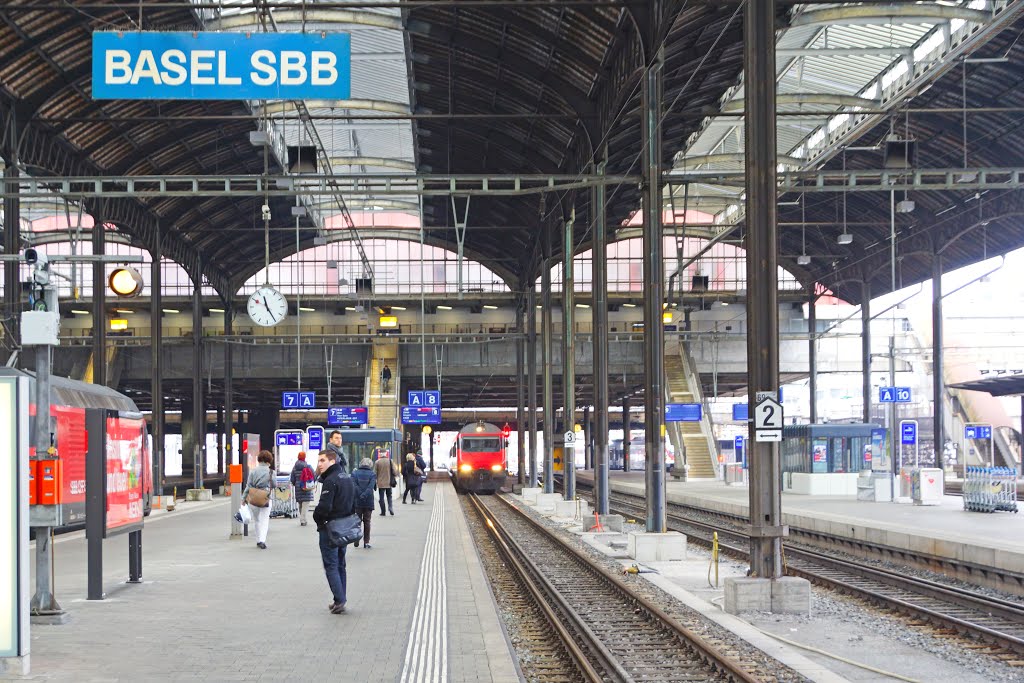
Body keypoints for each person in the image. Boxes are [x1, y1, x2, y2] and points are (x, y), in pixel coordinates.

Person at [313, 448, 355, 614]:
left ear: (332, 461)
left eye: (323, 460)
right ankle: (340, 597)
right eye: (318, 461)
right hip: (344, 527)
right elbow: (354, 502)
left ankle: (339, 600)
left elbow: (324, 507)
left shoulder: (330, 480)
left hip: (330, 528)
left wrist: (318, 519)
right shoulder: (347, 477)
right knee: (340, 564)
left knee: (331, 565)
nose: (319, 464)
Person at [242, 450, 274, 549]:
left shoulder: (253, 471)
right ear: (269, 461)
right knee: (264, 520)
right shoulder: (271, 472)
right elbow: (275, 485)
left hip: (253, 497)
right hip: (265, 498)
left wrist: (244, 498)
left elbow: (248, 486)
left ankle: (258, 539)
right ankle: (262, 541)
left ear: (259, 460)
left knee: (257, 520)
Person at [350, 458, 377, 549]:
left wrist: (360, 495)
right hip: (368, 501)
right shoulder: (372, 474)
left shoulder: (354, 473)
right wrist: (365, 495)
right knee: (367, 522)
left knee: (357, 521)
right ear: (370, 465)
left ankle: (356, 538)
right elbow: (370, 487)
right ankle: (366, 542)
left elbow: (353, 485)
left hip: (357, 500)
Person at [289, 451, 316, 526]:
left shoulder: (295, 467)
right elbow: (314, 476)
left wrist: (296, 484)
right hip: (306, 486)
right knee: (305, 503)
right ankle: (303, 520)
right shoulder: (308, 466)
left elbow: (292, 478)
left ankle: (302, 519)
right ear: (304, 457)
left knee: (301, 504)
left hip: (298, 487)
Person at [374, 450, 397, 516]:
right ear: (386, 454)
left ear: (380, 454)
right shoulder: (390, 461)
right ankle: (390, 507)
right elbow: (394, 472)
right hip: (389, 482)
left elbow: (375, 473)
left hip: (381, 483)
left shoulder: (377, 462)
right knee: (389, 496)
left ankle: (383, 512)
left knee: (381, 498)